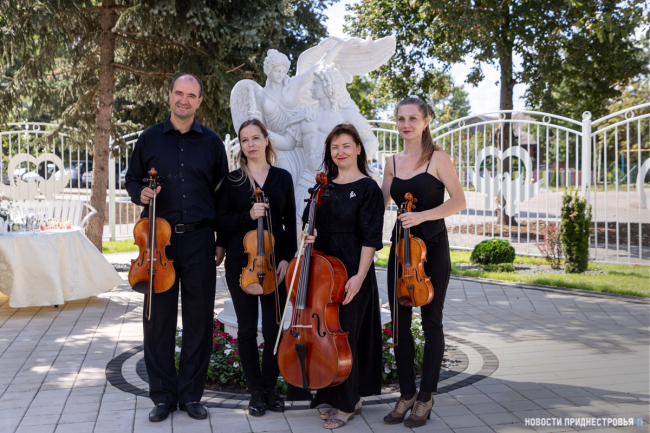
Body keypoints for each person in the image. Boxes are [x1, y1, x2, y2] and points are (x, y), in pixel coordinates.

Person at [124, 73, 229, 423]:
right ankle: (163, 396)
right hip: (158, 243)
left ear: (200, 101)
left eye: (191, 95)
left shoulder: (212, 143)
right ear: (170, 96)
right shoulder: (149, 138)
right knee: (158, 320)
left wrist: (221, 240)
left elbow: (223, 196)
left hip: (200, 240)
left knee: (199, 319)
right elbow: (132, 179)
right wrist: (140, 192)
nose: (184, 100)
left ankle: (191, 396)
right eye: (179, 93)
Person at [380, 96, 466, 427]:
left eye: (413, 118)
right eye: (401, 119)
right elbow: (378, 204)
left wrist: (421, 216)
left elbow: (459, 201)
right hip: (401, 251)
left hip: (432, 248)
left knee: (432, 323)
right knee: (400, 325)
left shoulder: (437, 158)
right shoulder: (392, 162)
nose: (406, 125)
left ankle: (426, 397)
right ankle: (406, 394)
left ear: (425, 122)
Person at [300, 123, 384, 429]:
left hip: (352, 272)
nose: (341, 152)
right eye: (335, 147)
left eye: (347, 146)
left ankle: (346, 404)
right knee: (330, 334)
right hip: (324, 274)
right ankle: (344, 397)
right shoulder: (323, 187)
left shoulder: (368, 188)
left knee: (345, 335)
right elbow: (307, 224)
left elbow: (371, 238)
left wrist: (360, 276)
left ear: (358, 149)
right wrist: (308, 234)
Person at [214, 119, 297, 417]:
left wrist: (287, 257)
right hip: (241, 263)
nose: (250, 144)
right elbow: (220, 221)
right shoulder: (233, 180)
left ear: (266, 141)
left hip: (275, 263)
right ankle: (255, 393)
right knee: (247, 328)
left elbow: (290, 223)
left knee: (274, 328)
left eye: (255, 138)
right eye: (245, 140)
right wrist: (248, 215)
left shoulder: (282, 178)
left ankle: (270, 388)